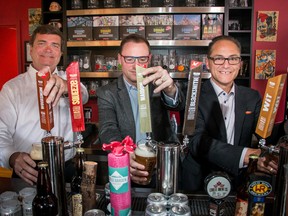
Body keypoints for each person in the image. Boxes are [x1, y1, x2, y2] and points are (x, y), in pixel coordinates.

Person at [182, 35, 278, 191]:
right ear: (208, 62)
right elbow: (197, 142)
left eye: (233, 59)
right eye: (219, 59)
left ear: (240, 64)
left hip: (238, 183)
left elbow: (266, 136)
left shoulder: (252, 97)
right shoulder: (193, 94)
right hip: (199, 183)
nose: (226, 65)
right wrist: (246, 155)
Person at [0, 25, 89, 185]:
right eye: (42, 43)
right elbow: (1, 131)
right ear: (31, 49)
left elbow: (83, 95)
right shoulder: (12, 88)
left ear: (60, 54)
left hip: (68, 167)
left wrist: (66, 86)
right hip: (29, 169)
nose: (48, 49)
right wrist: (11, 156)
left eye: (55, 45)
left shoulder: (69, 81)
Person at [97, 34, 185, 186]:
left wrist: (170, 88)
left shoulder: (159, 84)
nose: (135, 65)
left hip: (162, 166)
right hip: (125, 168)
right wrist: (124, 155)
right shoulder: (107, 93)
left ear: (149, 58)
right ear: (119, 59)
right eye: (129, 59)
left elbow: (178, 105)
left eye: (142, 59)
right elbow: (108, 129)